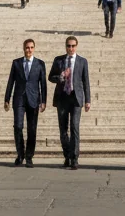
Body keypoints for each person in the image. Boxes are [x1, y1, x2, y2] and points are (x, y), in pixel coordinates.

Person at [48, 36, 92, 169]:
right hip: (62, 98)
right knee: (63, 129)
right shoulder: (58, 60)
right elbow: (50, 77)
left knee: (74, 127)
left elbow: (86, 81)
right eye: (68, 46)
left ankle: (75, 158)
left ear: (76, 46)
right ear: (65, 46)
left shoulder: (82, 61)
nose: (71, 48)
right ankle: (67, 155)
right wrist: (61, 76)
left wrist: (88, 100)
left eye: (73, 46)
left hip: (76, 98)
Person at [4, 38, 46, 168]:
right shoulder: (16, 63)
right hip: (19, 99)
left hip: (33, 99)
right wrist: (7, 99)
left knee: (32, 129)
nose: (29, 50)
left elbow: (43, 84)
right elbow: (11, 81)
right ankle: (20, 154)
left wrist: (43, 101)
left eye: (31, 47)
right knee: (18, 126)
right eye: (27, 47)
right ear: (23, 48)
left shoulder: (40, 64)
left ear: (34, 48)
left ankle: (29, 157)